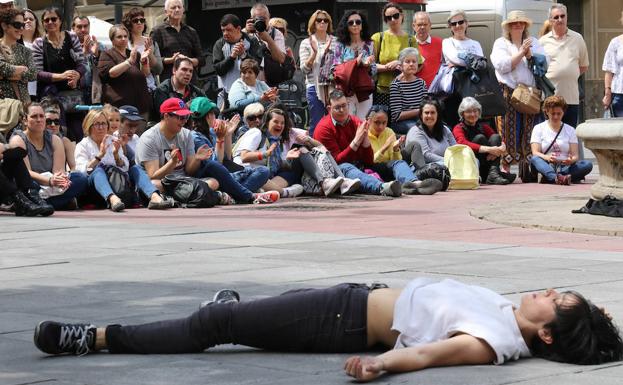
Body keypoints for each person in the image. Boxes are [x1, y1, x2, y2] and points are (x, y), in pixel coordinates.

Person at [33, 278, 623, 383]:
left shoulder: (494, 342)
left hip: (340, 321)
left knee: (215, 325)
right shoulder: (507, 315)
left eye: (555, 300)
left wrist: (379, 366)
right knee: (251, 315)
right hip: (353, 298)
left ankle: (97, 336)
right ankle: (242, 310)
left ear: (548, 333)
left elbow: (428, 357)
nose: (545, 292)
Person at [75, 109, 173, 211]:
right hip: (95, 191)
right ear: (89, 126)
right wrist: (99, 156)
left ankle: (154, 197)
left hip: (118, 184)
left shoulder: (112, 140)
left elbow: (125, 167)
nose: (101, 127)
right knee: (98, 170)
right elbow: (82, 171)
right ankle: (112, 199)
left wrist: (116, 155)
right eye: (97, 124)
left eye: (103, 124)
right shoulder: (82, 145)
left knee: (135, 168)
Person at [188, 97, 279, 204]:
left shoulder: (212, 132)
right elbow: (216, 164)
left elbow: (228, 158)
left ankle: (234, 196)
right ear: (208, 116)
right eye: (213, 114)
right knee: (213, 166)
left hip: (227, 176)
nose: (215, 117)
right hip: (209, 177)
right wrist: (220, 139)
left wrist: (228, 135)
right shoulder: (195, 137)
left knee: (263, 171)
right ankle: (249, 196)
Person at [313, 90, 402, 197]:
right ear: (329, 109)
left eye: (344, 106)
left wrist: (365, 143)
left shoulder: (356, 122)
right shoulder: (324, 128)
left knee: (397, 163)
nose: (342, 110)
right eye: (337, 107)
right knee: (347, 167)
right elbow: (335, 163)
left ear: (348, 105)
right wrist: (355, 142)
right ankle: (382, 187)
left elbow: (369, 161)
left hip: (360, 166)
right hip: (338, 171)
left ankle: (412, 183)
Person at [491, 11, 546, 176]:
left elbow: (544, 65)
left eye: (521, 23)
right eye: (514, 23)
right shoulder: (501, 43)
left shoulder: (534, 42)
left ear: (525, 26)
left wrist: (531, 55)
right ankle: (505, 167)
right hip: (507, 91)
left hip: (529, 92)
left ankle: (526, 166)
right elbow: (502, 65)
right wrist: (522, 52)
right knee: (507, 128)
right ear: (508, 26)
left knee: (529, 128)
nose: (518, 25)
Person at [9, 103, 87, 210]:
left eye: (41, 116)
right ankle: (56, 203)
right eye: (34, 116)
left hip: (51, 184)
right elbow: (26, 172)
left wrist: (60, 179)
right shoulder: (18, 140)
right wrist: (50, 181)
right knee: (30, 185)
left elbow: (58, 171)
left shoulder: (55, 139)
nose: (39, 120)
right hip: (33, 182)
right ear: (25, 120)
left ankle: (42, 204)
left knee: (80, 178)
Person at [136, 97, 218, 193]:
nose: (185, 121)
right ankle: (194, 196)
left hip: (183, 181)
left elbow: (189, 171)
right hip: (163, 182)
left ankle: (183, 197)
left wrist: (196, 159)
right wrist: (172, 163)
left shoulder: (186, 134)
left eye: (186, 117)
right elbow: (153, 176)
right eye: (181, 117)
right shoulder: (149, 138)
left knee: (213, 183)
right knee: (155, 185)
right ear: (166, 116)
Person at [32, 7, 86, 142]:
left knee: (78, 132)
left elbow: (82, 63)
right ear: (43, 23)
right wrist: (62, 76)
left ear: (60, 21)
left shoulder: (71, 37)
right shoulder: (39, 43)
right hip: (51, 96)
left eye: (54, 19)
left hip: (72, 94)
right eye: (46, 20)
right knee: (57, 133)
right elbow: (37, 73)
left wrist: (76, 76)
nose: (50, 22)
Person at [233, 107, 313, 198]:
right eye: (276, 122)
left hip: (264, 178)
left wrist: (287, 158)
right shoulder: (257, 133)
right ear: (267, 123)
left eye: (282, 123)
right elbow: (244, 157)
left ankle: (262, 191)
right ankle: (284, 192)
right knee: (263, 172)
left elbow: (276, 166)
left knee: (290, 174)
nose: (280, 125)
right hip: (244, 173)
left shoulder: (276, 142)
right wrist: (265, 154)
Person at [366, 105, 442, 195]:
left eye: (384, 123)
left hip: (390, 166)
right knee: (398, 164)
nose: (381, 126)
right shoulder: (364, 134)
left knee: (412, 147)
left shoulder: (389, 132)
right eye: (377, 123)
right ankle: (415, 182)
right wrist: (384, 148)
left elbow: (396, 160)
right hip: (373, 169)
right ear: (368, 120)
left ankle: (418, 182)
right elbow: (369, 161)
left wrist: (395, 149)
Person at [539, 4, 589, 128]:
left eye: (563, 16)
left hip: (571, 98)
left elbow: (583, 66)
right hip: (550, 99)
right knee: (551, 136)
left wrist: (569, 74)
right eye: (556, 17)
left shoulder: (578, 38)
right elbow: (539, 70)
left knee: (569, 135)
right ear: (550, 20)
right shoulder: (542, 42)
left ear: (567, 17)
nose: (560, 19)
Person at [530, 95, 593, 185]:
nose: (556, 117)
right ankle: (556, 177)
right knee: (535, 159)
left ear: (563, 113)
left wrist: (570, 160)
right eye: (553, 113)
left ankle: (553, 177)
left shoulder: (570, 130)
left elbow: (575, 156)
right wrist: (547, 157)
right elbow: (535, 152)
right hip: (547, 164)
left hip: (565, 166)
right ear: (547, 112)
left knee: (587, 165)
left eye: (559, 114)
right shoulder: (538, 128)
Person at [452, 97, 515, 185]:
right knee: (480, 138)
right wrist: (489, 149)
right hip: (473, 166)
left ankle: (493, 173)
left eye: (475, 111)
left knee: (495, 137)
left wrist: (500, 149)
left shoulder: (484, 126)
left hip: (487, 162)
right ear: (462, 114)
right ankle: (493, 174)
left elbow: (500, 140)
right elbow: (462, 143)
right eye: (469, 111)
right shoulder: (458, 128)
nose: (473, 114)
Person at [440, 10, 484, 127]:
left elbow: (480, 63)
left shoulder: (476, 43)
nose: (457, 26)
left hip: (474, 87)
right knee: (455, 122)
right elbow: (455, 58)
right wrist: (471, 62)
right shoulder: (447, 42)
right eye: (454, 24)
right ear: (450, 27)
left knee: (474, 121)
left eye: (460, 22)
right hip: (455, 89)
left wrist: (460, 63)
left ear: (466, 23)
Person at [371, 3, 419, 109]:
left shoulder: (411, 40)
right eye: (389, 17)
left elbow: (418, 65)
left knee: (403, 122)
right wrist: (388, 67)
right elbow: (370, 65)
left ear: (401, 16)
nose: (393, 19)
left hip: (406, 89)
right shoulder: (378, 37)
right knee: (383, 123)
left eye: (396, 16)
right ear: (386, 20)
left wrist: (398, 63)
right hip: (383, 90)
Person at [98, 24, 151, 116]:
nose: (123, 39)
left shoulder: (134, 54)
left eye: (125, 36)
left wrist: (144, 61)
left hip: (140, 107)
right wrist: (129, 62)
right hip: (119, 109)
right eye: (119, 37)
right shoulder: (107, 54)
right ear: (112, 40)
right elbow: (111, 73)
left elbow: (145, 73)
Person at [332, 11, 376, 120]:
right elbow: (336, 68)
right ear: (346, 26)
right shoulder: (340, 45)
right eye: (351, 23)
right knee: (347, 120)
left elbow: (374, 70)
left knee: (364, 120)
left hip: (364, 88)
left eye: (358, 22)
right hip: (347, 89)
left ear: (362, 25)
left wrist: (368, 65)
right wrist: (355, 62)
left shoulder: (369, 44)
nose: (355, 24)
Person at [212, 14, 262, 109]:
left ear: (238, 28)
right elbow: (218, 70)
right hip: (225, 94)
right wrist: (232, 57)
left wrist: (244, 55)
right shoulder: (219, 44)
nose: (225, 33)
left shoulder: (251, 41)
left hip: (249, 92)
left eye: (229, 30)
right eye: (223, 30)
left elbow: (257, 67)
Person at [299, 10, 335, 136]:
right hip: (314, 87)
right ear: (313, 23)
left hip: (333, 87)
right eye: (318, 20)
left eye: (325, 20)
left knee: (335, 121)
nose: (322, 22)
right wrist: (314, 54)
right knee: (317, 122)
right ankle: (316, 151)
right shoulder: (306, 42)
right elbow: (304, 69)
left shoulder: (336, 42)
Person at [150, 0, 204, 84]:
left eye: (179, 7)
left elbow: (201, 59)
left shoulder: (191, 31)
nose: (177, 10)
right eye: (173, 7)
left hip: (191, 82)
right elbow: (153, 59)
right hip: (169, 82)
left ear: (183, 10)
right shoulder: (157, 31)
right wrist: (171, 60)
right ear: (166, 12)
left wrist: (188, 60)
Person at [0, 141, 55, 216]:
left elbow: (21, 152)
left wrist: (4, 149)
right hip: (9, 189)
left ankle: (31, 195)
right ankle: (19, 199)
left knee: (14, 157)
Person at [0, 8, 37, 105]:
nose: (21, 29)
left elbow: (33, 74)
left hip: (23, 103)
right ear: (4, 26)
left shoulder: (26, 51)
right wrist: (21, 69)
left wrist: (4, 76)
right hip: (3, 104)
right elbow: (1, 67)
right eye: (17, 25)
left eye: (23, 25)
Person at [405, 99, 456, 168]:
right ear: (421, 115)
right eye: (426, 113)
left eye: (433, 112)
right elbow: (426, 155)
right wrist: (449, 161)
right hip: (425, 168)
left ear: (438, 115)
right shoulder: (416, 131)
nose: (429, 116)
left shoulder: (445, 129)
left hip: (447, 165)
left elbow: (455, 148)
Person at [122, 7, 163, 93]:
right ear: (129, 23)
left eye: (142, 20)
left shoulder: (151, 42)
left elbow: (159, 70)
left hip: (150, 88)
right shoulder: (125, 43)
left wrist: (150, 54)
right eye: (135, 20)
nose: (139, 23)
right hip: (131, 88)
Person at [244, 2, 286, 83]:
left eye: (264, 19)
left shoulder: (276, 33)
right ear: (252, 19)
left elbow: (281, 59)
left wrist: (268, 39)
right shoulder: (245, 33)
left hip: (271, 82)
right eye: (258, 19)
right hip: (250, 82)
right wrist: (246, 32)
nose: (261, 22)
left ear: (269, 16)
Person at [389, 48, 427, 135]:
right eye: (407, 61)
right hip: (402, 123)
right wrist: (420, 110)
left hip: (420, 119)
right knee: (420, 130)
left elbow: (426, 105)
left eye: (414, 61)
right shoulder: (396, 85)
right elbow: (396, 116)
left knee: (442, 127)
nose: (411, 64)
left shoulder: (421, 83)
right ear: (400, 65)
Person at [72, 16, 105, 105]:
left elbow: (104, 69)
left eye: (85, 26)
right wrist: (84, 53)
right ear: (73, 28)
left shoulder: (99, 45)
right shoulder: (69, 47)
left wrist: (96, 55)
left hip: (96, 93)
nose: (83, 30)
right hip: (76, 93)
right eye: (79, 27)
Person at [412, 11, 442, 88]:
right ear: (413, 26)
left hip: (435, 91)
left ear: (430, 26)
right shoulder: (408, 43)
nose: (422, 27)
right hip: (414, 91)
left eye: (425, 24)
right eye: (419, 25)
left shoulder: (440, 43)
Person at [602, 11, 623, 117]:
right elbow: (609, 70)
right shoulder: (615, 42)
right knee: (619, 130)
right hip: (619, 93)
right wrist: (607, 93)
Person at [44, 106, 76, 171]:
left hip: (61, 176)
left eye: (56, 122)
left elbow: (74, 166)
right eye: (48, 121)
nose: (53, 125)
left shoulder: (65, 141)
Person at [21, 8, 41, 101]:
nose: (28, 21)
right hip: (23, 92)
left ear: (36, 22)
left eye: (31, 19)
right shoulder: (15, 44)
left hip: (43, 89)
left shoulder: (43, 42)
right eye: (24, 19)